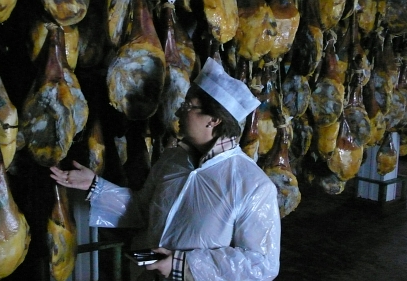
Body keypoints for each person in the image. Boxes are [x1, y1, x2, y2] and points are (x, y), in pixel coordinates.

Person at [50, 58, 281, 281]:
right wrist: (95, 186)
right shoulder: (173, 159)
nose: (179, 112)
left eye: (188, 106)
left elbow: (261, 264)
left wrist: (182, 264)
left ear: (213, 120)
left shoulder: (253, 186)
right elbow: (142, 210)